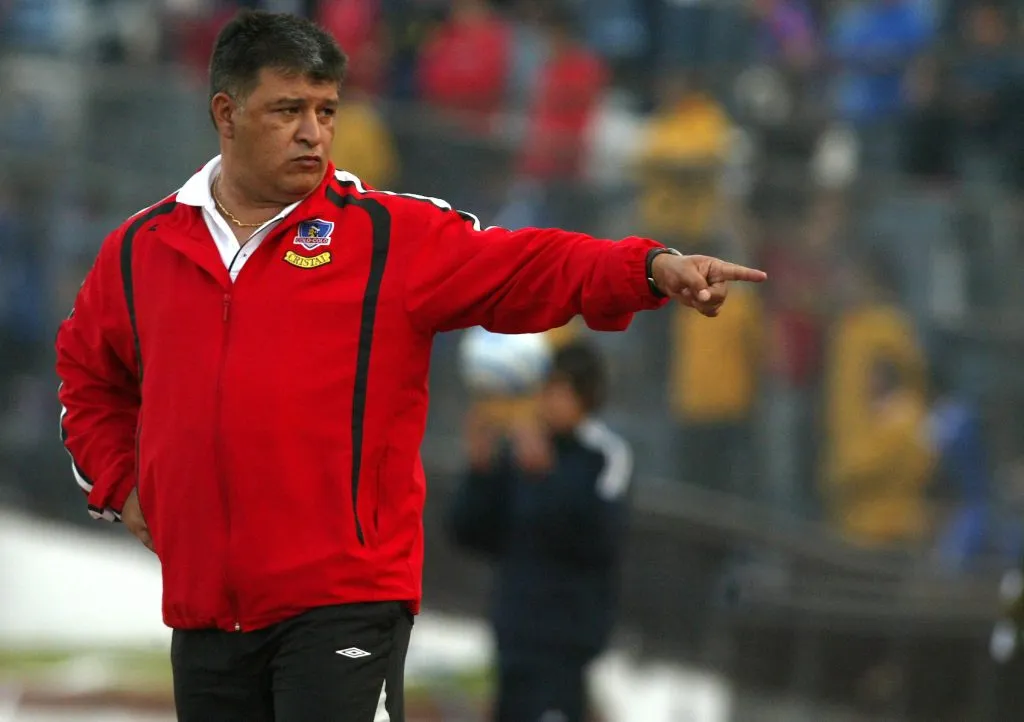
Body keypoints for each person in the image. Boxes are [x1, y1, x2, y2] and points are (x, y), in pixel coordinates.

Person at [54, 10, 766, 722]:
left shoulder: (388, 235)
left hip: (342, 606)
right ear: (226, 113)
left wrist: (647, 266)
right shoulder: (142, 248)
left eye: (327, 110)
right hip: (204, 612)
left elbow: (525, 265)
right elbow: (86, 377)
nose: (314, 132)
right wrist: (122, 485)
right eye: (288, 110)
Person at [449, 341, 629, 722]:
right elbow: (471, 533)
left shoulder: (604, 456)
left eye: (560, 390)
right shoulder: (523, 446)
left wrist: (546, 478)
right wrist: (479, 471)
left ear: (586, 397)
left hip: (567, 639)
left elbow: (599, 540)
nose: (548, 401)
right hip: (514, 631)